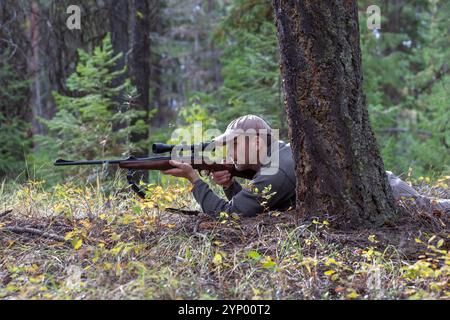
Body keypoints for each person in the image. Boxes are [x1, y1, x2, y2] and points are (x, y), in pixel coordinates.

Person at [162, 115, 450, 217]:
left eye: (235, 144)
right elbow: (255, 204)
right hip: (382, 192)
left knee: (437, 208)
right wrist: (229, 184)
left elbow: (233, 215)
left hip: (392, 196)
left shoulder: (278, 170)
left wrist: (194, 180)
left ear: (257, 143)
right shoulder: (278, 157)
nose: (230, 151)